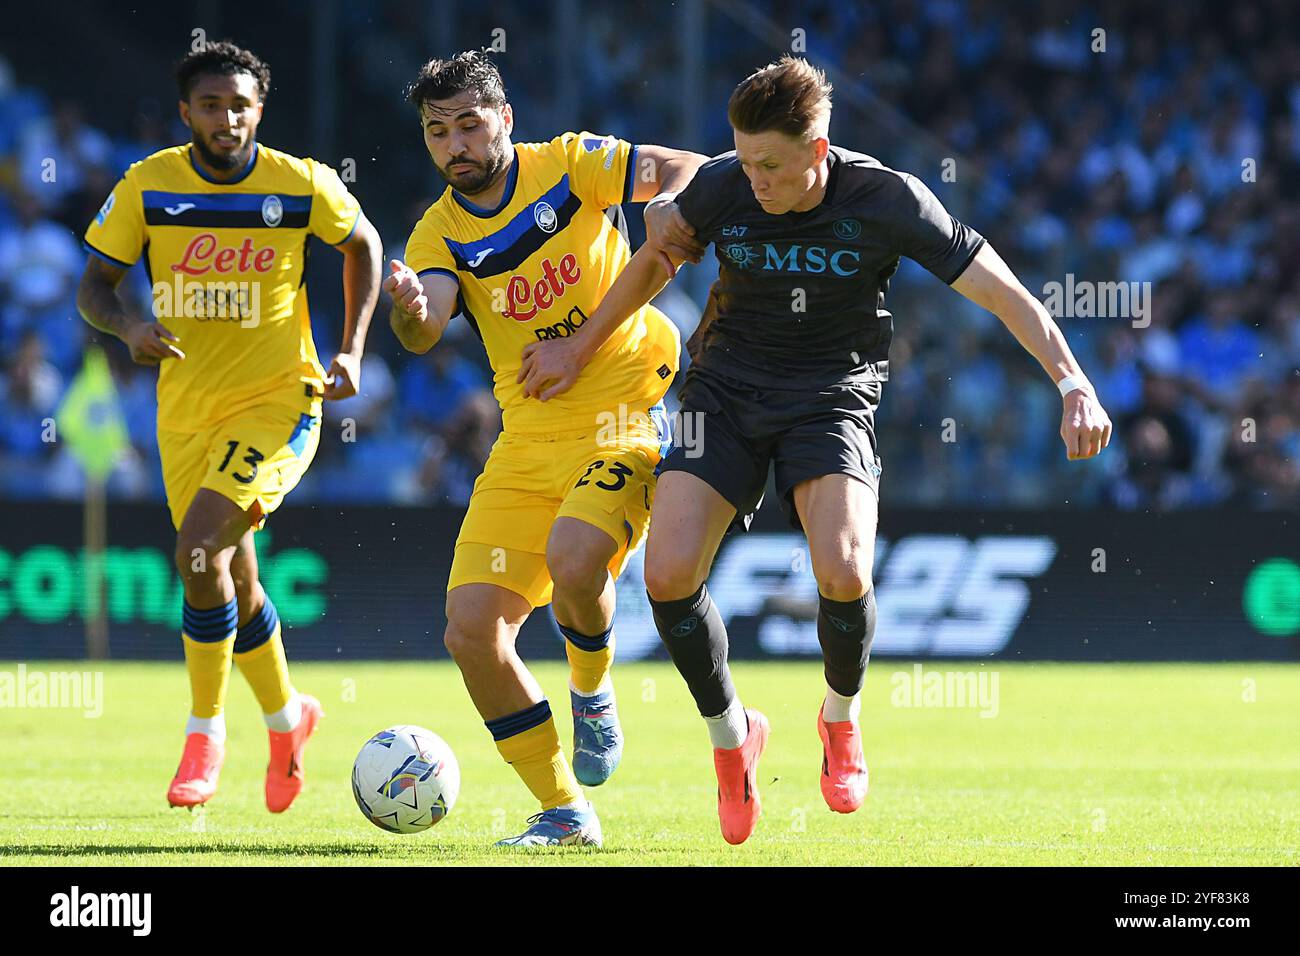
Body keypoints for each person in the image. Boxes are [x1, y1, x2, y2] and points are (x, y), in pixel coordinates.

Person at [520, 56, 1112, 844]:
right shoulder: (727, 185)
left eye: (769, 163)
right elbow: (653, 261)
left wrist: (1073, 381)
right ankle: (733, 742)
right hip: (725, 394)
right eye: (742, 157)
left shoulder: (889, 199)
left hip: (830, 396)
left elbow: (1001, 290)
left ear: (819, 151)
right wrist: (578, 349)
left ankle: (840, 719)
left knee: (844, 568)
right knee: (666, 575)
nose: (751, 177)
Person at [386, 51, 706, 847]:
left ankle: (591, 691)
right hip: (527, 436)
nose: (454, 143)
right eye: (437, 131)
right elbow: (426, 324)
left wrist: (666, 200)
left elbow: (690, 167)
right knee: (470, 630)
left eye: (468, 122)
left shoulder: (570, 164)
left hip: (623, 408)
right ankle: (564, 811)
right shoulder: (439, 230)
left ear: (504, 119)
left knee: (574, 558)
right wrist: (406, 311)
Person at [76, 41, 383, 812]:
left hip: (282, 402)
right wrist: (125, 328)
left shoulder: (298, 182)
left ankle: (205, 731)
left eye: (240, 104)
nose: (227, 118)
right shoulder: (148, 187)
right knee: (227, 576)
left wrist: (349, 349)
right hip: (184, 412)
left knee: (197, 548)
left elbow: (364, 245)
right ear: (186, 113)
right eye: (210, 105)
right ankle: (288, 721)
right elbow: (94, 285)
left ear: (259, 110)